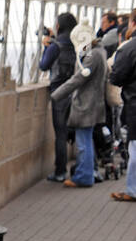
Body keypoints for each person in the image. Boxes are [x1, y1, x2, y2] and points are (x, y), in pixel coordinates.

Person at [52, 21, 106, 188]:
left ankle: (84, 176)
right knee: (86, 141)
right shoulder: (99, 51)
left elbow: (79, 77)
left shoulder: (92, 54)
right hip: (93, 102)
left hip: (86, 104)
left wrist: (57, 94)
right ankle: (87, 173)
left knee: (83, 143)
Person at [40, 11, 79, 182]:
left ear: (58, 26)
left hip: (59, 93)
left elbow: (43, 66)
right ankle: (85, 168)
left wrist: (46, 46)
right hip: (76, 92)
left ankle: (60, 171)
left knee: (61, 134)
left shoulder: (56, 46)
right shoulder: (79, 44)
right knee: (81, 133)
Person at [109, 14, 136, 203]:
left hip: (134, 104)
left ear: (133, 23)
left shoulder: (129, 49)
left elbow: (116, 77)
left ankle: (132, 190)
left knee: (135, 149)